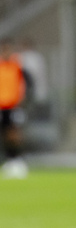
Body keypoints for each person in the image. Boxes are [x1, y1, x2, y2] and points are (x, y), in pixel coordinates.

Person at [0, 38, 29, 179]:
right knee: (5, 133)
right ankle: (9, 160)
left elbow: (26, 82)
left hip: (13, 104)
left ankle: (18, 160)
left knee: (14, 133)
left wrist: (23, 98)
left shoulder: (16, 65)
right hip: (1, 104)